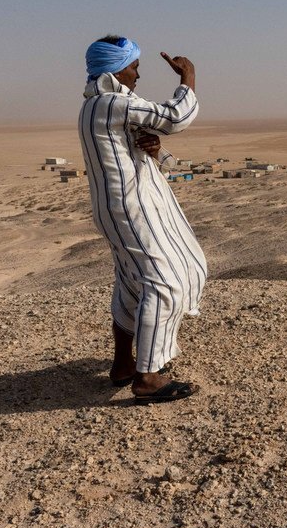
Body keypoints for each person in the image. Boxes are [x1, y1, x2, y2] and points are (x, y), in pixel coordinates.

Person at [78, 35, 206, 404]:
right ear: (116, 69)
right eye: (133, 67)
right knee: (165, 281)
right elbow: (174, 117)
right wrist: (189, 77)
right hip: (131, 209)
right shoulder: (111, 102)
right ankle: (148, 378)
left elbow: (141, 142)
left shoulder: (97, 106)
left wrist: (157, 151)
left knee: (133, 283)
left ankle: (122, 365)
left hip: (123, 210)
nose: (137, 75)